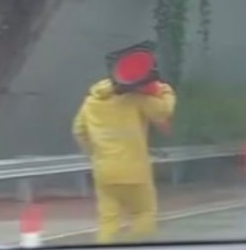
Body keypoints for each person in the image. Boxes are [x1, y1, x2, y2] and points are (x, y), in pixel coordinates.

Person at [72, 47, 176, 244]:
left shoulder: (91, 102)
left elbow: (79, 131)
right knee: (143, 213)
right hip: (134, 171)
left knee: (108, 220)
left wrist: (94, 153)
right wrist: (165, 90)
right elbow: (162, 111)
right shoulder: (136, 99)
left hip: (104, 171)